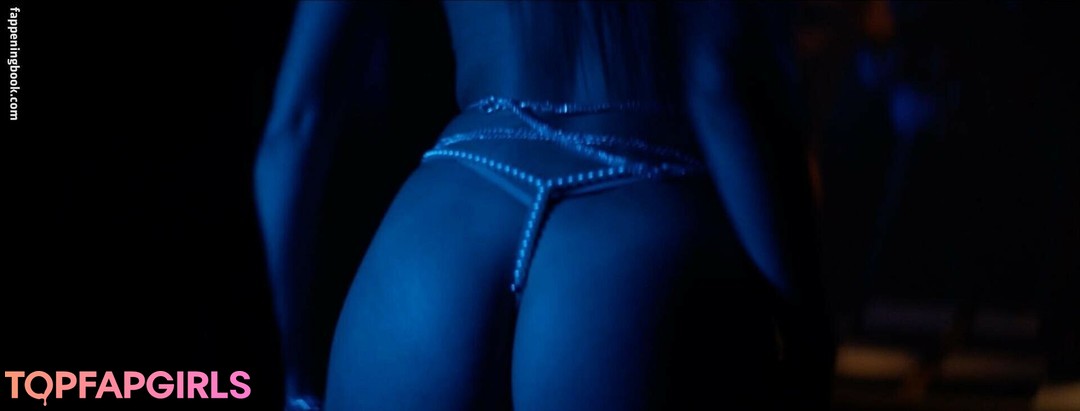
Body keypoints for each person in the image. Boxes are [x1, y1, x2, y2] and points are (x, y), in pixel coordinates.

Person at [254, 2, 833, 410]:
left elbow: (293, 128)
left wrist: (293, 375)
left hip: (439, 236)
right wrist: (807, 331)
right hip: (630, 226)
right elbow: (718, 81)